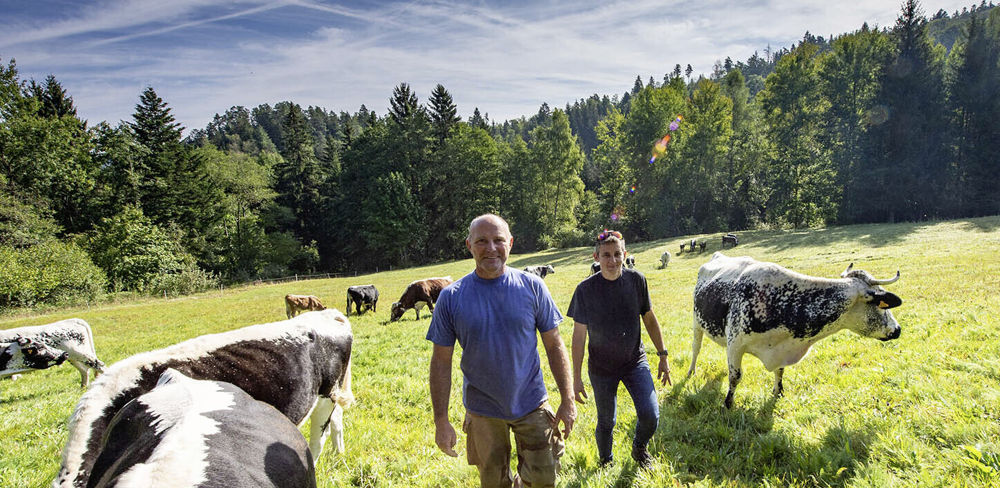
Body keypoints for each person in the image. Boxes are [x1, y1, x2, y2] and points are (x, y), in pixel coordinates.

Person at [427, 214, 576, 488]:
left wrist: (567, 399)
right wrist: (441, 421)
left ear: (510, 243)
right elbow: (440, 362)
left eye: (498, 240)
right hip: (483, 410)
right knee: (494, 481)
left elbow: (554, 345)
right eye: (482, 241)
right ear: (469, 245)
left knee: (544, 478)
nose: (491, 248)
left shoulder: (533, 287)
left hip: (531, 402)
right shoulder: (451, 297)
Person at [567, 229, 671, 469]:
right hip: (601, 368)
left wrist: (663, 354)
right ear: (596, 257)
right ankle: (606, 461)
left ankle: (639, 448)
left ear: (625, 254)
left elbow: (649, 318)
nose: (612, 261)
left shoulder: (637, 281)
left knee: (650, 414)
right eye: (606, 255)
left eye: (617, 254)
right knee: (606, 421)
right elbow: (578, 337)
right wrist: (576, 377)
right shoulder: (585, 290)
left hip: (635, 361)